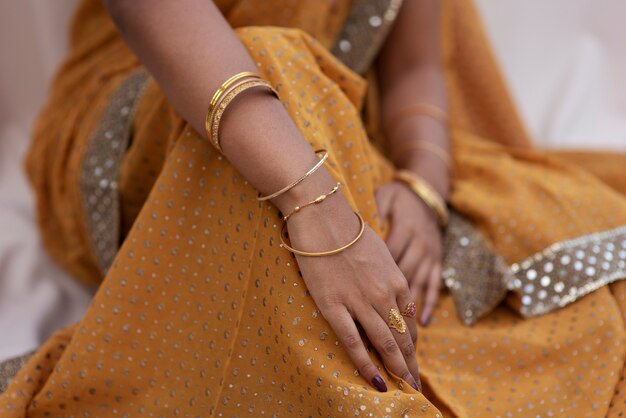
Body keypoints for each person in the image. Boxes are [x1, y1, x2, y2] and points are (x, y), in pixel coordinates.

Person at [1, 0, 625, 416]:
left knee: (544, 280)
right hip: (142, 123)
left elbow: (412, 68)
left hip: (329, 130)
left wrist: (423, 188)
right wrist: (316, 206)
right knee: (274, 61)